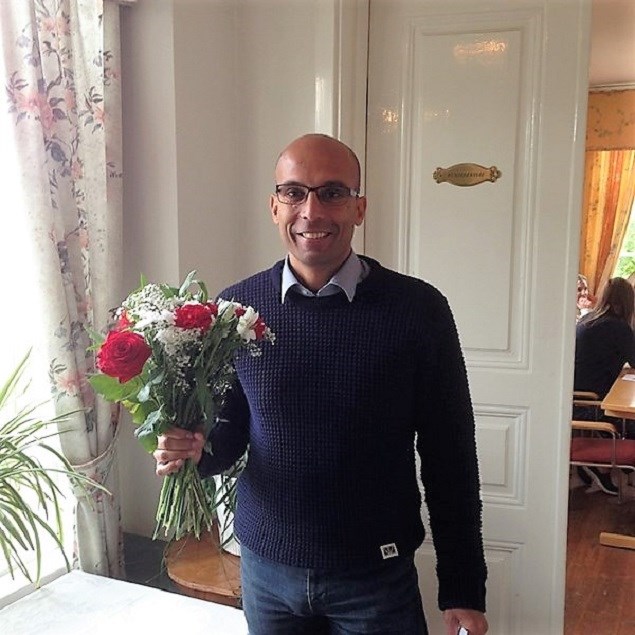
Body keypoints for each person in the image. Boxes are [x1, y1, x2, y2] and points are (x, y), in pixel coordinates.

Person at [154, 133, 488, 635]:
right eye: (293, 192)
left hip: (375, 578)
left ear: (359, 208)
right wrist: (195, 450)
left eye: (332, 193)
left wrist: (462, 586)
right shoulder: (234, 310)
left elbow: (451, 456)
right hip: (266, 574)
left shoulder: (419, 311)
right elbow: (231, 432)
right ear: (274, 206)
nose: (311, 211)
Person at [573, 276, 635, 493]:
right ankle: (605, 467)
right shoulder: (618, 327)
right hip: (594, 404)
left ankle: (600, 467)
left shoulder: (588, 319)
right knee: (631, 423)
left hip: (578, 398)